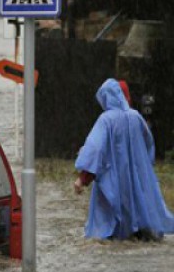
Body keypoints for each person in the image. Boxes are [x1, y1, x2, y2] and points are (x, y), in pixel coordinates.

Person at [74, 78, 174, 240]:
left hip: (115, 179)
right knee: (140, 217)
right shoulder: (136, 117)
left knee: (107, 227)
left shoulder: (106, 120)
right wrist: (143, 163)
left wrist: (82, 179)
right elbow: (148, 142)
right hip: (137, 178)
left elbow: (96, 150)